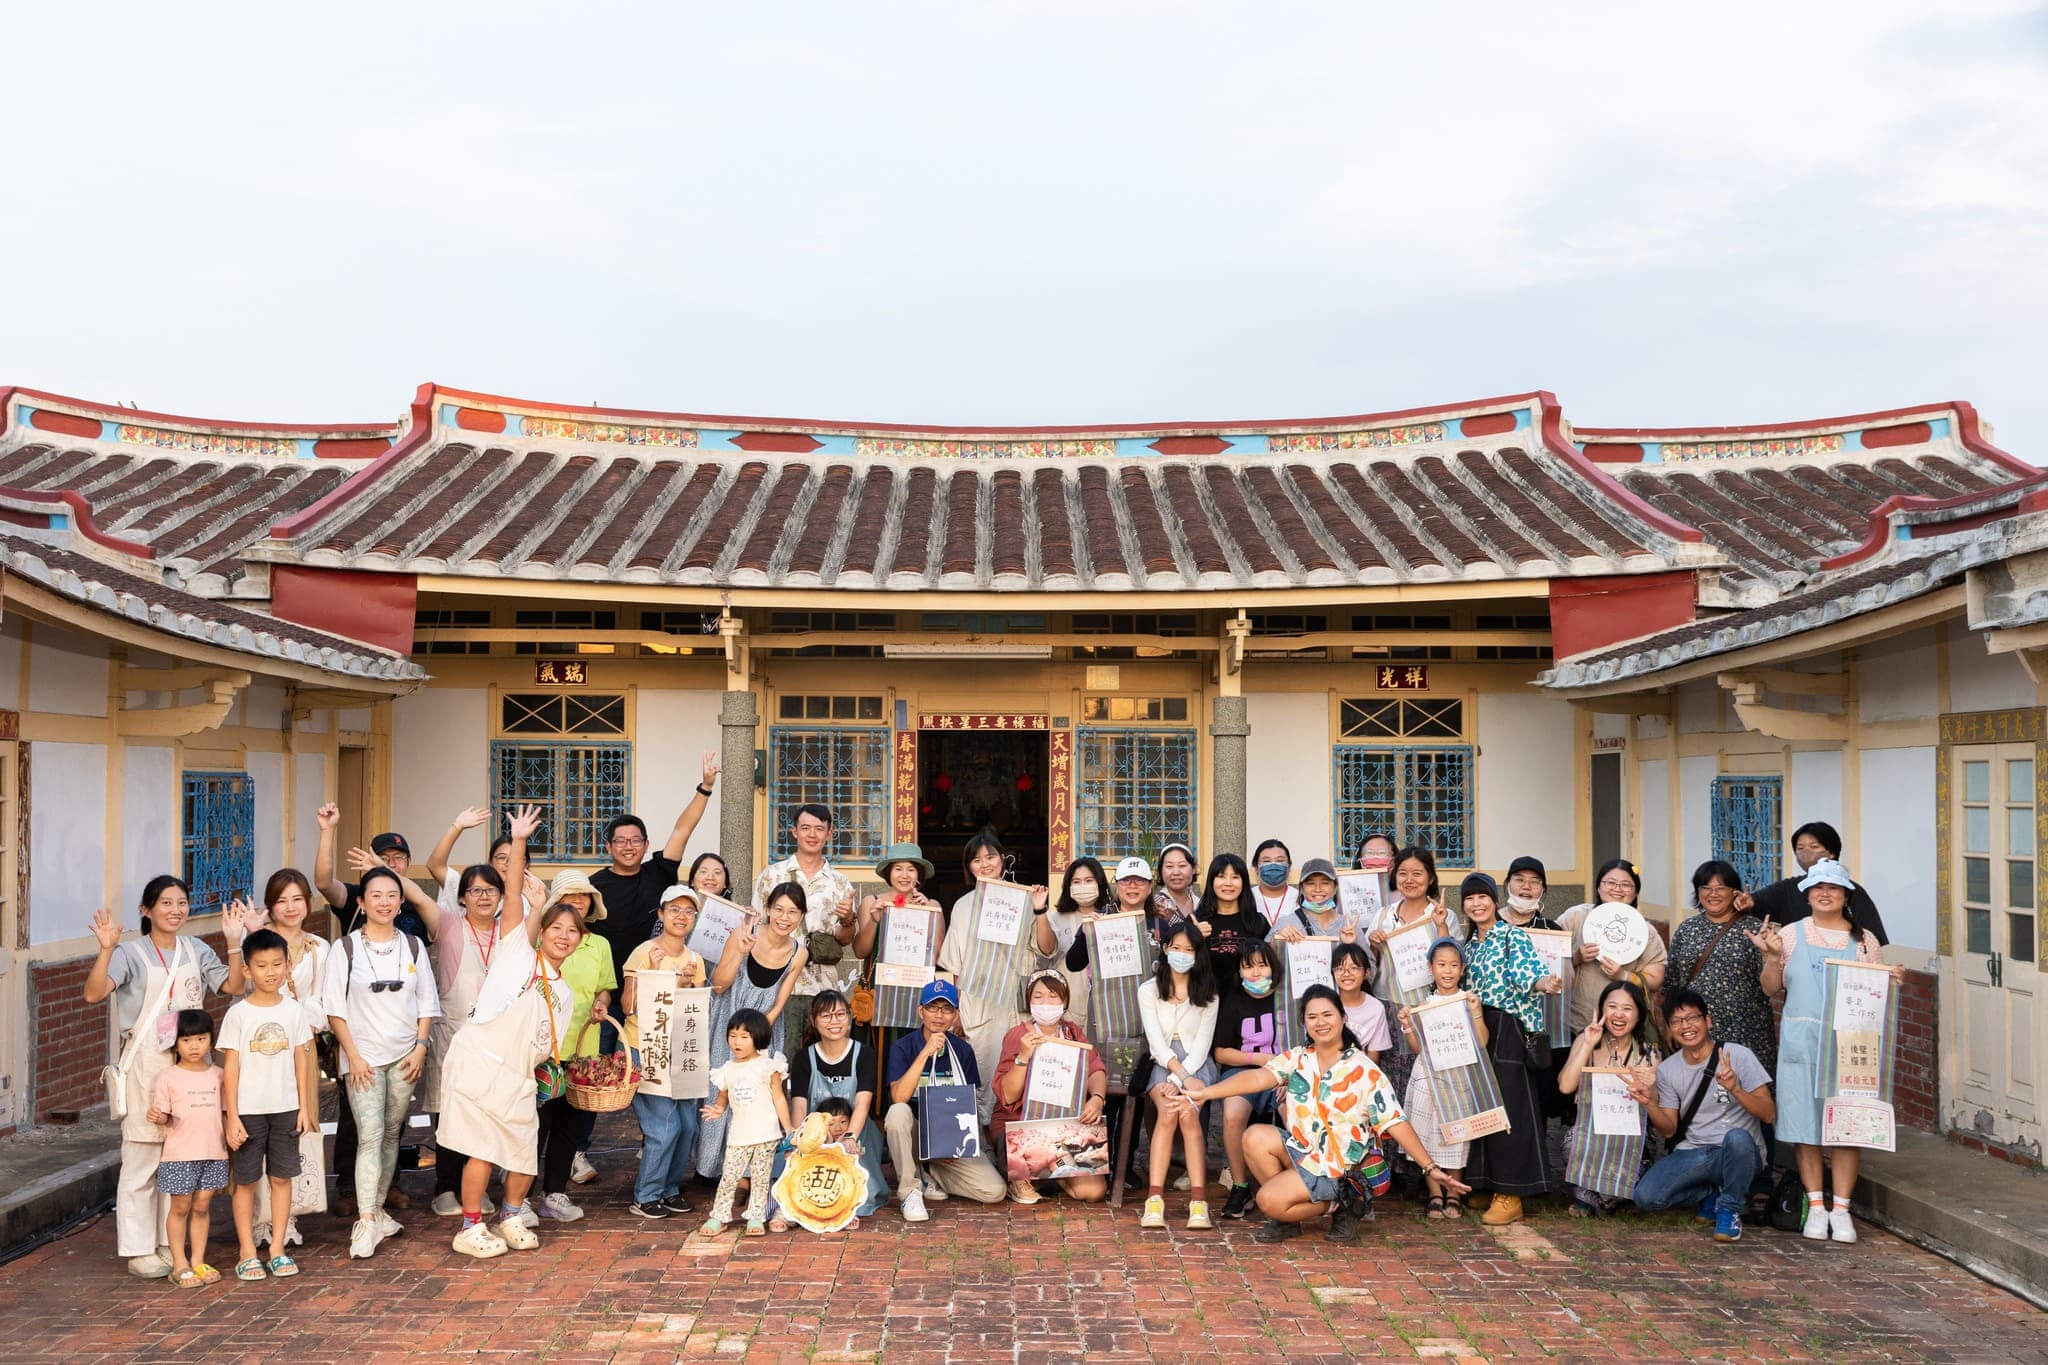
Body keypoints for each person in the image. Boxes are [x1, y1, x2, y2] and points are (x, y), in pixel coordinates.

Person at [1183, 985, 1470, 1244]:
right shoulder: (1299, 1058)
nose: (1320, 1022)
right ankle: (1292, 1218)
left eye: (1327, 1015)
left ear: (1343, 1018)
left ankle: (1346, 1201)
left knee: (1267, 1200)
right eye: (1312, 1017)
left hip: (1342, 1168)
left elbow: (1395, 1121)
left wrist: (1430, 1167)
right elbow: (1258, 1078)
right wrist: (1207, 1093)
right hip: (1306, 1154)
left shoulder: (1363, 1069)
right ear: (1304, 1023)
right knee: (1254, 1137)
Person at [436, 806, 584, 1259]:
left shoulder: (566, 994)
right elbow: (514, 891)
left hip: (520, 1076)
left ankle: (512, 1215)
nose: (563, 936)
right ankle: (470, 1227)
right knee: (481, 1149)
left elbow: (546, 1047)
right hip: (479, 1063)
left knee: (521, 1151)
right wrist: (518, 840)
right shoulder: (516, 951)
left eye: (572, 931)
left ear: (580, 940)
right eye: (556, 928)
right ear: (542, 930)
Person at [83, 875, 235, 1278]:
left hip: (191, 1069)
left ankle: (170, 1244)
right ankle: (138, 1249)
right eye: (165, 903)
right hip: (147, 1068)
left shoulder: (196, 949)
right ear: (146, 910)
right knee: (143, 1159)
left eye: (181, 902)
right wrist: (106, 949)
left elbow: (232, 984)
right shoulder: (130, 953)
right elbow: (93, 994)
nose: (175, 910)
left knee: (179, 1157)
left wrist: (236, 942)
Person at [1756, 858, 1902, 1244]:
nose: (1824, 893)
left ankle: (1842, 1209)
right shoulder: (1790, 935)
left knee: (1846, 1126)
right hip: (1801, 1041)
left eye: (1833, 888)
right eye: (1817, 887)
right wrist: (1771, 956)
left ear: (1846, 896)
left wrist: (1891, 981)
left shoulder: (1865, 941)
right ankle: (1816, 1206)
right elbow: (1770, 988)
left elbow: (1875, 997)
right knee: (1804, 1127)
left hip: (1849, 1044)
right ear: (1807, 894)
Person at [312, 803, 429, 1219]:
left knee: (394, 1121)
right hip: (361, 1036)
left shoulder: (412, 904)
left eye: (399, 858)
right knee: (357, 1117)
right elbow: (323, 882)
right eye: (384, 857)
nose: (392, 864)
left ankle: (388, 1184)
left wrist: (421, 1042)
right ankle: (350, 1187)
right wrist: (328, 831)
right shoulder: (358, 901)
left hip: (402, 1033)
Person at [321, 865, 442, 1259]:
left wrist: (421, 1046)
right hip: (363, 1058)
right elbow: (334, 1009)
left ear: (401, 901)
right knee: (370, 1134)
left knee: (391, 1133)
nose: (384, 902)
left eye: (391, 895)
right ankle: (366, 1220)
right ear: (361, 901)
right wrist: (352, 1057)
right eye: (375, 895)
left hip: (406, 1054)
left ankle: (378, 1211)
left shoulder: (413, 946)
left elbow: (426, 1000)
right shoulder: (345, 949)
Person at [1630, 988, 1776, 1244]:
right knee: (1646, 1197)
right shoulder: (1667, 1070)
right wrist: (1650, 1103)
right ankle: (1710, 1193)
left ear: (1708, 1021)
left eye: (1692, 1018)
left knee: (1737, 1138)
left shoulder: (1738, 1055)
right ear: (1669, 1028)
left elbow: (1768, 1114)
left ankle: (1729, 1209)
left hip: (1740, 1153)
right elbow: (1668, 1129)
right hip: (1696, 1151)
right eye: (1677, 1021)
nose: (1686, 1026)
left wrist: (1736, 1089)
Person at [1456, 873, 1561, 1225]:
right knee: (1484, 1106)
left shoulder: (1511, 935)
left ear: (1494, 900)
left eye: (1482, 896)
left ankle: (1512, 1193)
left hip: (1509, 1030)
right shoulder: (1470, 945)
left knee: (1511, 1111)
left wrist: (1545, 982)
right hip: (1478, 1027)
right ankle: (1487, 1182)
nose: (1477, 904)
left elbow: (1529, 972)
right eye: (1470, 898)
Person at [220, 928, 317, 1282]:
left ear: (288, 965)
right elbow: (230, 1068)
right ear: (247, 970)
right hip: (248, 1111)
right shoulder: (238, 1014)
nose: (270, 972)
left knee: (281, 1177)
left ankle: (277, 1248)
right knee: (245, 1180)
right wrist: (232, 1116)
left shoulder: (294, 1010)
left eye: (277, 964)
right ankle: (247, 1251)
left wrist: (304, 1107)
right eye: (261, 966)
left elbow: (301, 1059)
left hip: (285, 1108)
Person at [935, 834, 1051, 1121]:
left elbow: (1047, 949)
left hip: (1016, 1004)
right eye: (976, 860)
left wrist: (1039, 909)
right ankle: (984, 1139)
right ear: (969, 867)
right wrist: (955, 1011)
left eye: (990, 857)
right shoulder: (963, 906)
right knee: (984, 1078)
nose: (985, 864)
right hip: (979, 1004)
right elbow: (954, 965)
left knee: (1023, 1072)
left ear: (1003, 858)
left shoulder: (1025, 899)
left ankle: (1016, 1140)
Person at [243, 868, 330, 1249]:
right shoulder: (257, 941)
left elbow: (324, 1000)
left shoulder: (319, 948)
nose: (290, 907)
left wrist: (301, 1020)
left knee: (294, 1126)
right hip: (259, 1047)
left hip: (300, 1046)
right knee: (255, 1129)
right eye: (282, 900)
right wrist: (248, 933)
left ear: (308, 903)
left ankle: (287, 1217)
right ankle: (257, 1219)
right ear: (270, 905)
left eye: (297, 899)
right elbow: (244, 992)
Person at [697, 883, 808, 1179]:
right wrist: (739, 952)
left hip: (764, 1030)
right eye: (779, 909)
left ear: (801, 916)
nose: (784, 917)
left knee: (756, 1095)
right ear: (768, 909)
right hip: (729, 1022)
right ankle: (709, 1167)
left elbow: (780, 1001)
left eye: (793, 912)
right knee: (720, 1088)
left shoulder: (798, 953)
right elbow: (719, 985)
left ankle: (746, 1173)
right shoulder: (744, 933)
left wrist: (759, 1034)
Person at [423, 862, 512, 1217]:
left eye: (491, 890)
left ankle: (476, 1186)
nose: (484, 897)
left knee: (485, 1114)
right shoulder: (449, 926)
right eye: (475, 890)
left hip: (493, 1039)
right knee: (449, 1112)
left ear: (501, 896)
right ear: (462, 898)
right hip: (453, 1035)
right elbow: (417, 895)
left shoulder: (508, 931)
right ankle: (445, 1187)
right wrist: (386, 871)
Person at [588, 751, 722, 974]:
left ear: (646, 844)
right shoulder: (593, 886)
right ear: (608, 846)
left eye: (635, 840)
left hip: (658, 978)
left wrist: (705, 787)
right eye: (620, 841)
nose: (628, 847)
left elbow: (682, 830)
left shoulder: (659, 872)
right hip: (607, 981)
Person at [621, 884, 709, 1219]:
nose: (681, 916)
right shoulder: (645, 952)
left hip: (681, 1051)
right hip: (646, 1046)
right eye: (674, 909)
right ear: (661, 914)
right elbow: (628, 1006)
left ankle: (669, 1189)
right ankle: (646, 1196)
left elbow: (694, 1011)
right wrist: (653, 974)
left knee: (688, 1126)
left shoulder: (695, 960)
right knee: (665, 1125)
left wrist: (687, 983)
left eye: (688, 911)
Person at [884, 980, 1007, 1218]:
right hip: (915, 1136)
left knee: (994, 1191)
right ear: (921, 1011)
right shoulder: (903, 1047)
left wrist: (954, 1142)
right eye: (932, 1007)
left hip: (949, 1140)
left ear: (955, 1016)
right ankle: (910, 1191)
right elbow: (899, 1096)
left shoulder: (963, 1051)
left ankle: (931, 1172)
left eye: (947, 1009)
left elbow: (968, 1103)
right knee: (897, 1113)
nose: (939, 1015)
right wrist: (925, 1053)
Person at [768, 989, 890, 1225]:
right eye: (826, 1015)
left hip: (855, 1130)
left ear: (849, 1017)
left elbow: (863, 1103)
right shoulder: (804, 1057)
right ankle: (790, 1208)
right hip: (816, 1134)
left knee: (858, 1189)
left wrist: (849, 1137)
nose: (834, 1021)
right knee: (793, 1170)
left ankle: (843, 1209)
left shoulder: (864, 1054)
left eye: (840, 1014)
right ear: (814, 1021)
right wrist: (799, 1140)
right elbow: (799, 1104)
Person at [534, 868, 618, 1210]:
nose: (578, 901)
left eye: (584, 896)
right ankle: (520, 1198)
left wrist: (602, 1002)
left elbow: (604, 988)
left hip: (583, 1048)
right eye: (570, 896)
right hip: (543, 1048)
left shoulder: (600, 945)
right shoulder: (540, 940)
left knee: (570, 1126)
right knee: (537, 1125)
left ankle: (554, 1192)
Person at [990, 973, 1108, 1205]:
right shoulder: (1018, 1035)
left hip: (1060, 1128)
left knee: (1093, 1191)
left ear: (1065, 1001)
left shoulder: (1072, 1033)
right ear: (1029, 1001)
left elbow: (1095, 1068)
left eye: (1053, 996)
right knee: (1024, 1159)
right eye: (1038, 996)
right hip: (1020, 1125)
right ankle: (1026, 1174)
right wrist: (1023, 1057)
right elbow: (1008, 1095)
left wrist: (1097, 1098)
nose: (1046, 1003)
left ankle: (1050, 1174)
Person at [754, 803, 857, 1056]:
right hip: (777, 984)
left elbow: (845, 940)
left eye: (819, 829)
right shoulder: (772, 876)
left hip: (822, 987)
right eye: (806, 828)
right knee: (778, 1059)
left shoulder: (840, 883)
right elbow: (756, 926)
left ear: (830, 833)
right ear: (794, 831)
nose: (812, 834)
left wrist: (848, 920)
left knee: (819, 1060)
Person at [1137, 921, 1221, 1230]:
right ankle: (1154, 1199)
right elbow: (1156, 1045)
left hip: (1197, 1066)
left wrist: (1181, 1080)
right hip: (1162, 1063)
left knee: (1188, 1113)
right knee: (1168, 1112)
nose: (1181, 954)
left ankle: (1198, 1202)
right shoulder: (1148, 990)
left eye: (1188, 949)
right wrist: (1177, 1078)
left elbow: (1202, 1046)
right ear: (1165, 948)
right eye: (1176, 948)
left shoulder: (1209, 993)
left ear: (1198, 954)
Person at [1396, 938, 1486, 1218]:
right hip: (1428, 1076)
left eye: (1454, 965)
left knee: (1457, 1135)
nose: (1447, 971)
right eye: (1441, 964)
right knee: (1426, 1134)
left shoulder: (1468, 1001)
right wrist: (1408, 1026)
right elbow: (1418, 1048)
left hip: (1459, 1076)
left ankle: (1454, 1194)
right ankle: (1435, 1193)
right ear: (1430, 968)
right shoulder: (1424, 1004)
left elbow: (1482, 1042)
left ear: (1462, 969)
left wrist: (1477, 1012)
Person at [1557, 980, 1658, 1217]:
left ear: (1639, 1015)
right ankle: (1599, 1197)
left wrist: (1649, 1087)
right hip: (1589, 1133)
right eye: (1612, 1007)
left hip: (1631, 1139)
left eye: (1627, 1008)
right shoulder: (1586, 1040)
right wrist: (1588, 1044)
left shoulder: (1648, 1053)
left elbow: (1656, 1105)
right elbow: (1565, 1086)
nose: (1618, 1014)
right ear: (1602, 1010)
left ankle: (1591, 1197)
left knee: (1627, 1174)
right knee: (1572, 1142)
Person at [1364, 847, 1458, 1100]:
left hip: (1430, 1007)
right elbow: (1368, 967)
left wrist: (1441, 925)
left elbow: (1454, 960)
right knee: (1391, 1076)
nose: (1409, 880)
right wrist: (1374, 945)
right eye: (1402, 873)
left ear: (1431, 878)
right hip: (1389, 1007)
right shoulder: (1383, 915)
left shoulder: (1444, 915)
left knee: (1428, 1077)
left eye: (1417, 873)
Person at [146, 1010, 230, 1289]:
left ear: (211, 1040)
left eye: (201, 1039)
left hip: (213, 1152)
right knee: (180, 1206)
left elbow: (226, 1113)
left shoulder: (219, 1076)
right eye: (186, 1040)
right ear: (176, 1043)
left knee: (203, 1205)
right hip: (180, 1154)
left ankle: (198, 1260)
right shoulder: (168, 1077)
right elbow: (164, 1115)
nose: (194, 1046)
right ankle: (179, 1263)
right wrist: (158, 1117)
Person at [1669, 861, 1776, 1076]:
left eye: (1720, 888)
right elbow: (1672, 982)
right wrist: (1670, 1025)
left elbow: (1770, 987)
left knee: (1747, 1089)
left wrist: (1771, 954)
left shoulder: (1754, 929)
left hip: (1746, 1031)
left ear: (1734, 892)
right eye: (1706, 888)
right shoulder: (1687, 929)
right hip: (1695, 1030)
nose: (1713, 894)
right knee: (1698, 1089)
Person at [698, 1008, 793, 1237]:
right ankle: (719, 1216)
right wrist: (719, 1109)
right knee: (729, 1177)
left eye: (743, 1037)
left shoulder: (769, 1066)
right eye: (732, 1035)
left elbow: (779, 1098)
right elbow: (723, 1095)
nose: (736, 1042)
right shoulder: (727, 1069)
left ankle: (756, 1217)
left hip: (766, 1134)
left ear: (758, 1037)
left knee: (761, 1179)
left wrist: (788, 1127)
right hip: (739, 1135)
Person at [1213, 941, 1284, 1219]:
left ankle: (1299, 1179)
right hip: (1242, 1072)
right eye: (1248, 966)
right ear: (1239, 971)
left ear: (1273, 967)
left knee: (1293, 1109)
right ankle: (1240, 1185)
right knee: (1232, 1114)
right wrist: (1258, 1059)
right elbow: (1221, 1052)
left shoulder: (1285, 999)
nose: (1255, 972)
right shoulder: (1233, 1001)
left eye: (1262, 965)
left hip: (1282, 1075)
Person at [1737, 821, 1891, 945]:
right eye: (1800, 848)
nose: (1824, 894)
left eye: (1814, 847)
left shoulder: (1853, 891)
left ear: (1831, 852)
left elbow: (1875, 941)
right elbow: (1756, 903)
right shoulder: (1788, 888)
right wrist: (1748, 902)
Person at [1558, 859, 1666, 1034]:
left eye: (1626, 885)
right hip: (1573, 1024)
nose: (1617, 889)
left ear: (1636, 892)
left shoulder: (1646, 931)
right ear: (1598, 887)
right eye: (1610, 882)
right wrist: (1576, 958)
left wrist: (1623, 975)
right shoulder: (1575, 917)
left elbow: (1656, 978)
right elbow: (1547, 961)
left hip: (1624, 1029)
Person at [1192, 852, 1268, 992]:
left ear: (1244, 882)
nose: (1228, 883)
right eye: (1221, 876)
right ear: (1211, 881)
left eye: (1235, 877)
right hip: (1206, 1000)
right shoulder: (1195, 921)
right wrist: (1193, 939)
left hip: (1249, 1000)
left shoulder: (1258, 922)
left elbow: (1271, 965)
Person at [1269, 857, 1364, 947]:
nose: (1318, 889)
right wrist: (1278, 939)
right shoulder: (1286, 923)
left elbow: (1368, 959)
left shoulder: (1349, 926)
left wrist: (1352, 945)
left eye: (1325, 883)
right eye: (1310, 883)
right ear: (1301, 889)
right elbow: (1265, 956)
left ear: (1335, 888)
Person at [1330, 944, 1393, 1062]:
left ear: (1366, 972)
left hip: (1359, 1068)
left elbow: (1373, 1054)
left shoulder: (1376, 1008)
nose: (1346, 973)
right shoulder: (1327, 1003)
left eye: (1354, 968)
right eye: (1339, 968)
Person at [1249, 838, 1300, 924]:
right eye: (1266, 861)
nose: (1273, 866)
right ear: (1256, 867)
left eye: (1279, 860)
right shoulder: (1247, 897)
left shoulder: (1299, 899)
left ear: (1289, 866)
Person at [1151, 843, 1201, 924]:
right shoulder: (1153, 906)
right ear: (1161, 871)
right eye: (1169, 866)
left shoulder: (1201, 905)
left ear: (1193, 869)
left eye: (1182, 865)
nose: (1176, 872)